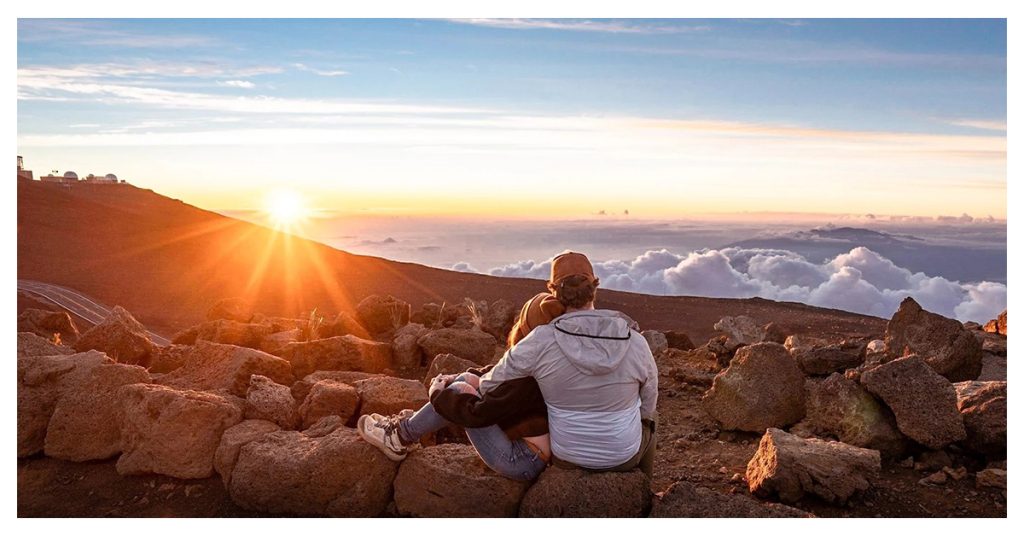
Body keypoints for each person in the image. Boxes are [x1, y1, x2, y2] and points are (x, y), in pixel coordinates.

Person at [479, 251, 658, 477]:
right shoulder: (635, 341)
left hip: (567, 458)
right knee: (652, 418)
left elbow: (490, 385)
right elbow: (648, 404)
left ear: (553, 291)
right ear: (595, 287)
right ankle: (643, 486)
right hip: (623, 457)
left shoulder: (539, 340)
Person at [357, 292, 564, 481]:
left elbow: (476, 414)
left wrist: (438, 393)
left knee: (458, 393)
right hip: (527, 451)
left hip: (522, 460)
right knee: (464, 380)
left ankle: (399, 436)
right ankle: (406, 431)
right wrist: (460, 377)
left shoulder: (527, 380)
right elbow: (496, 373)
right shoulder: (545, 363)